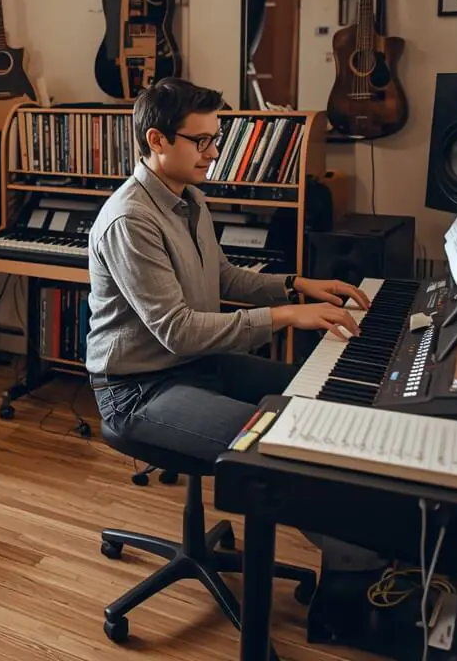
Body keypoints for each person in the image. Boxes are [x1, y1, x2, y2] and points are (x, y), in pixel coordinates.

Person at [86, 77, 370, 463]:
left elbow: (223, 277)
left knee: (317, 394)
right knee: (280, 442)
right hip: (138, 388)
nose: (214, 152)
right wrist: (286, 315)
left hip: (195, 362)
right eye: (201, 141)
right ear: (156, 140)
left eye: (215, 139)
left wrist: (298, 285)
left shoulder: (191, 198)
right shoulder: (131, 220)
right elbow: (179, 331)